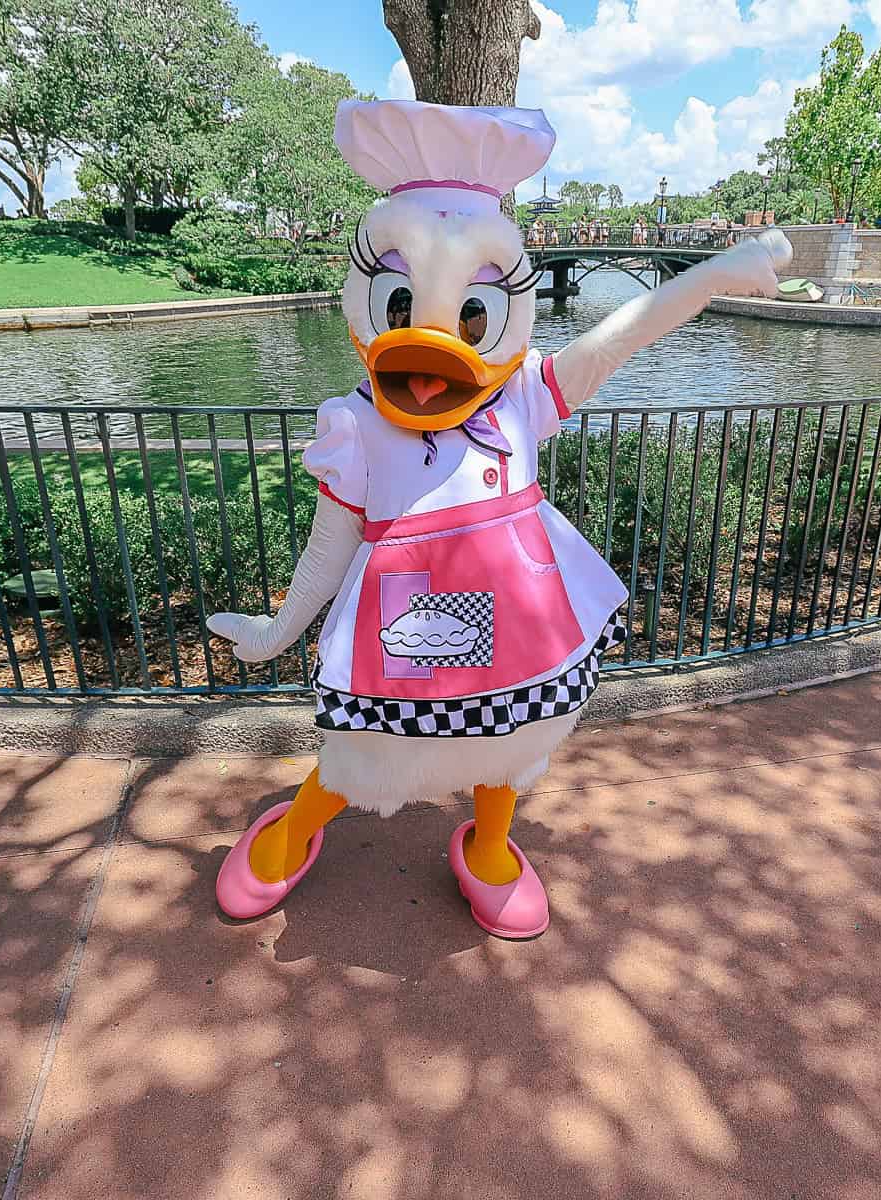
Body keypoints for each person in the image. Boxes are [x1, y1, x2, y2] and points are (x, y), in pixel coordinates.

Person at [206, 98, 792, 938]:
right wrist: (280, 628)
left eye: (470, 314)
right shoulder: (358, 424)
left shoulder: (524, 398)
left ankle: (488, 844)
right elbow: (331, 541)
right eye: (403, 308)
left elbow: (622, 336)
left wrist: (710, 275)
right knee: (369, 754)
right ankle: (294, 828)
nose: (434, 347)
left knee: (509, 736)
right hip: (401, 616)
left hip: (518, 616)